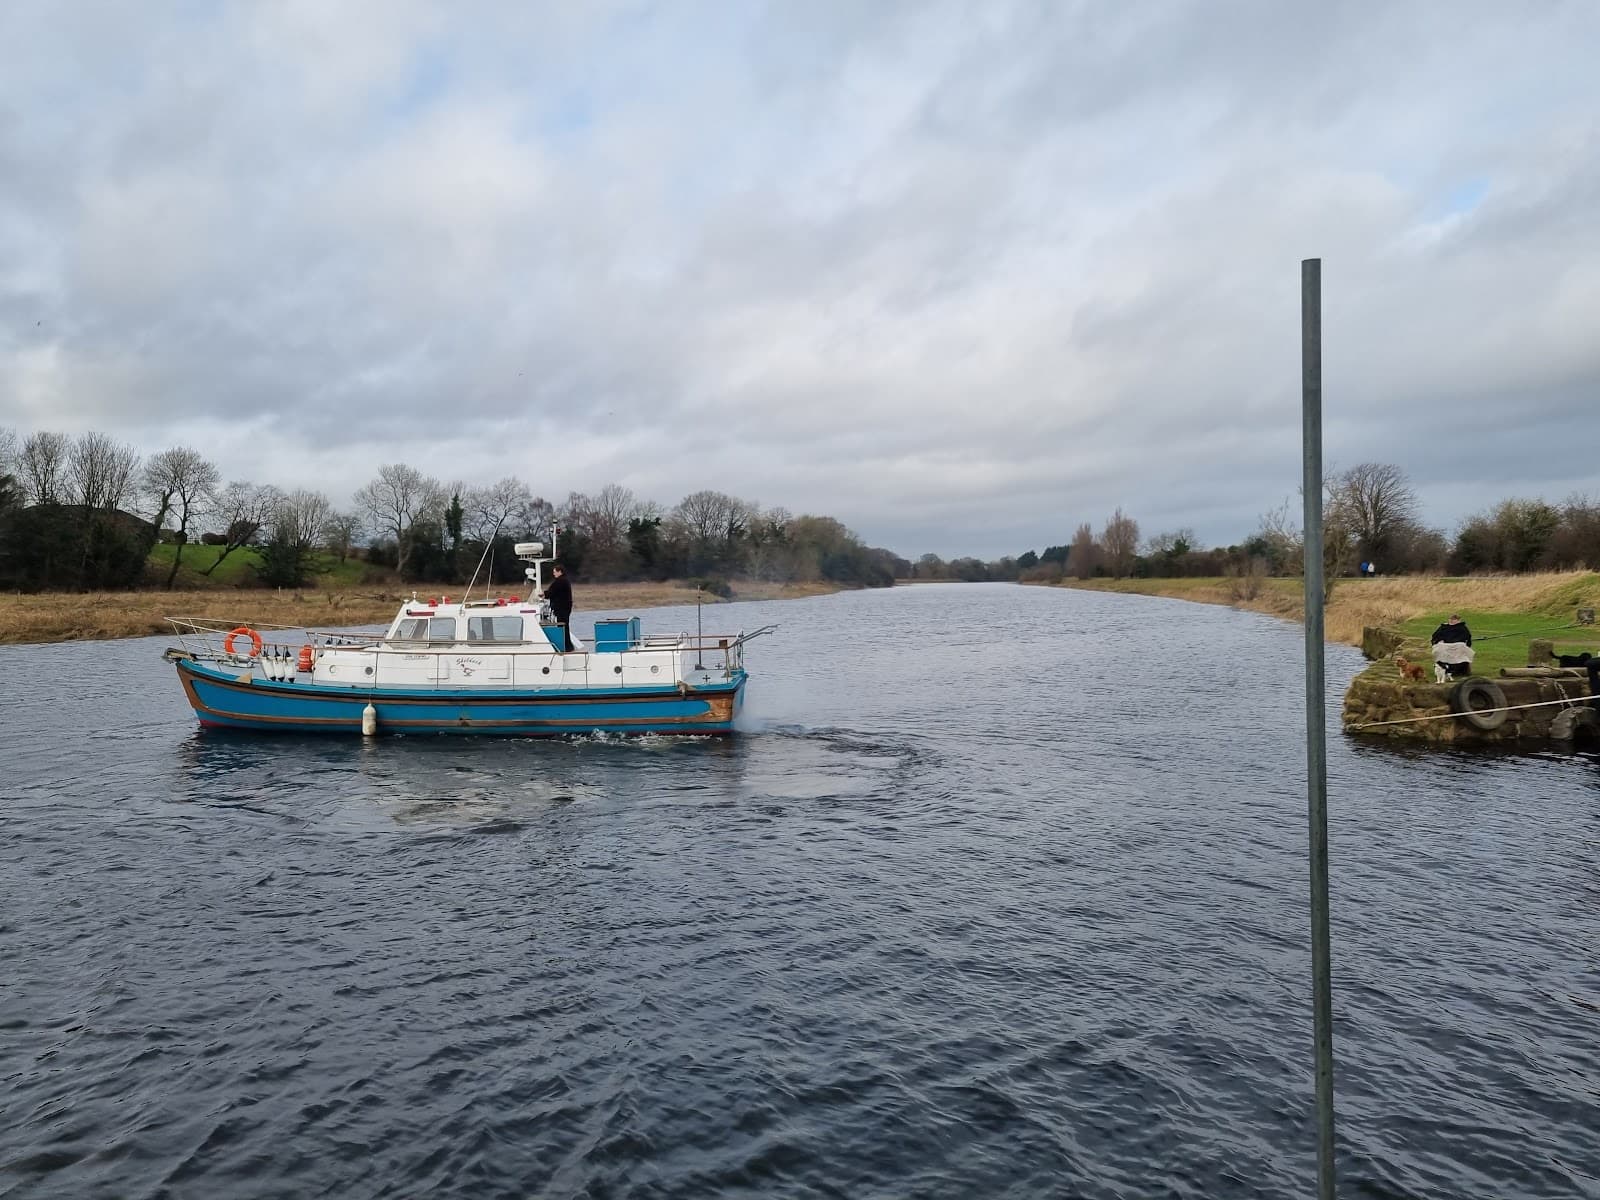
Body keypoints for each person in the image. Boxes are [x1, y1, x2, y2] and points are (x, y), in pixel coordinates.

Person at [1430, 612, 1474, 679]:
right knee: (1439, 648)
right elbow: (1436, 636)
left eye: (1454, 619)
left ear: (1458, 620)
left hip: (1458, 644)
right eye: (1451, 619)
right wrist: (1439, 640)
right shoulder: (1444, 627)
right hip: (1445, 644)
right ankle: (1442, 669)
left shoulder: (1462, 627)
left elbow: (1467, 637)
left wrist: (1458, 641)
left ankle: (1459, 670)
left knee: (1460, 647)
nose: (1452, 620)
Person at [542, 561, 573, 652]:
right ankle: (568, 646)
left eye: (555, 572)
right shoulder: (565, 580)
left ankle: (566, 646)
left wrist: (543, 594)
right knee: (565, 626)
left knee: (562, 626)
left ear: (560, 572)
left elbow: (552, 592)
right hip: (565, 607)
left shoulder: (560, 581)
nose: (553, 573)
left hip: (562, 608)